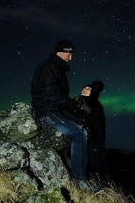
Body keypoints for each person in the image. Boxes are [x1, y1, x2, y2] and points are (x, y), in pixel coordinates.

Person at [30, 40, 90, 187]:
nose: (71, 58)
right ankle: (79, 179)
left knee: (83, 130)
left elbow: (59, 98)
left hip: (55, 109)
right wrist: (73, 107)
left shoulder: (56, 68)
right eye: (70, 54)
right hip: (46, 111)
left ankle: (79, 174)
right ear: (61, 52)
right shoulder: (48, 68)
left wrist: (76, 116)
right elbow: (54, 95)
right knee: (79, 134)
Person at [75, 80, 109, 178]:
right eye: (84, 88)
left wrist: (100, 143)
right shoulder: (76, 100)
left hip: (91, 139)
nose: (84, 90)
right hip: (77, 135)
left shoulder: (97, 106)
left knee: (93, 162)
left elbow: (100, 126)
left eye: (88, 88)